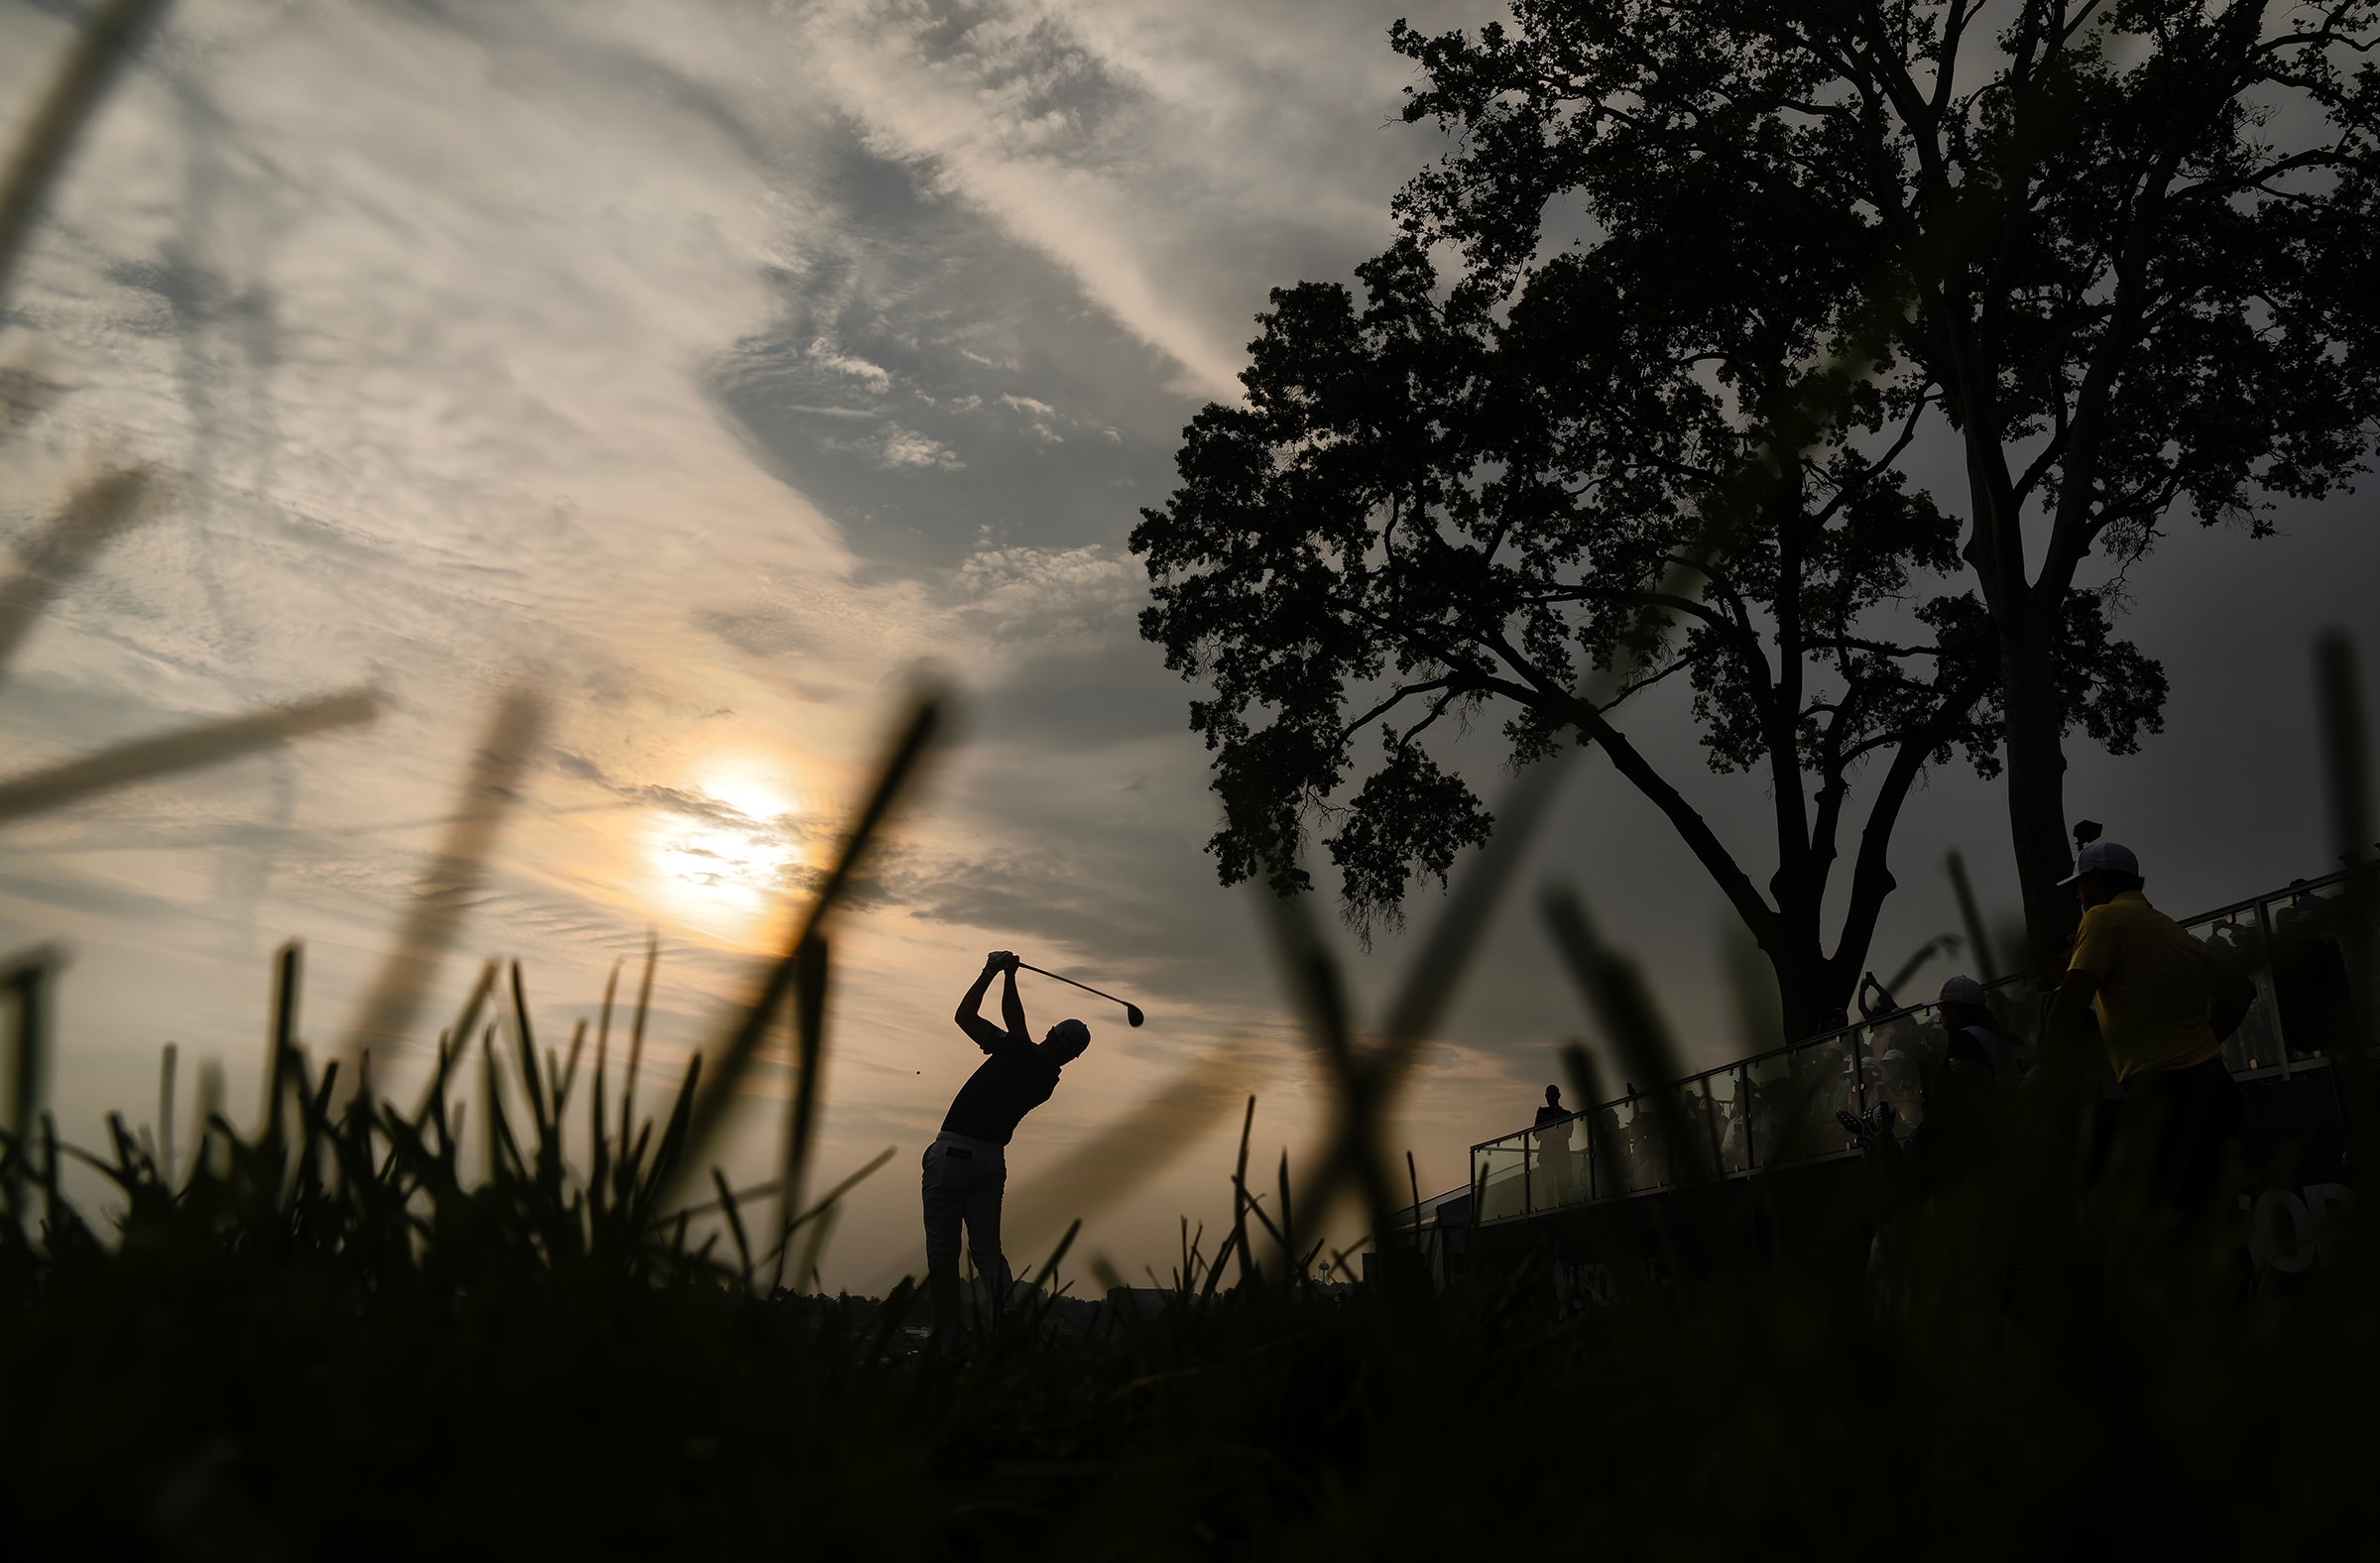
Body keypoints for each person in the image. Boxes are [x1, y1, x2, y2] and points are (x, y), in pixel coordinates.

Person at [2040, 841, 2256, 1214]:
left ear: (2096, 879)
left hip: (2162, 1097)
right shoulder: (2170, 928)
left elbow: (2071, 1003)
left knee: (2163, 1227)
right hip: (2215, 1088)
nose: (2078, 894)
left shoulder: (2101, 919)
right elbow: (2240, 989)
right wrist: (2202, 1042)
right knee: (2211, 1222)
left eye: (2080, 884)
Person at [924, 950, 1091, 1338]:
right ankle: (1006, 1327)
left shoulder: (1019, 1051)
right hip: (991, 1164)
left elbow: (975, 1018)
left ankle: (948, 1336)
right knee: (987, 1253)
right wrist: (1001, 974)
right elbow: (988, 1024)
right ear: (1073, 1057)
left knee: (944, 1255)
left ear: (1050, 1034)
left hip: (953, 1155)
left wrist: (999, 972)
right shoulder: (1045, 1078)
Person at [1937, 974, 2033, 1088]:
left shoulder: (1964, 1041)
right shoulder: (2014, 1040)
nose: (1939, 1019)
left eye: (1941, 1009)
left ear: (1954, 1010)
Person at [1533, 1085, 1575, 1203]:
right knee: (1558, 1190)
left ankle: (1554, 1213)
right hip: (1558, 1155)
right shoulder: (1566, 1114)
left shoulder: (1549, 1115)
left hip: (1549, 1156)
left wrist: (1540, 1117)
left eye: (1551, 1095)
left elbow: (1537, 1136)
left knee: (1553, 1190)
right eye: (1549, 1095)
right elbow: (1568, 1134)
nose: (1550, 1098)